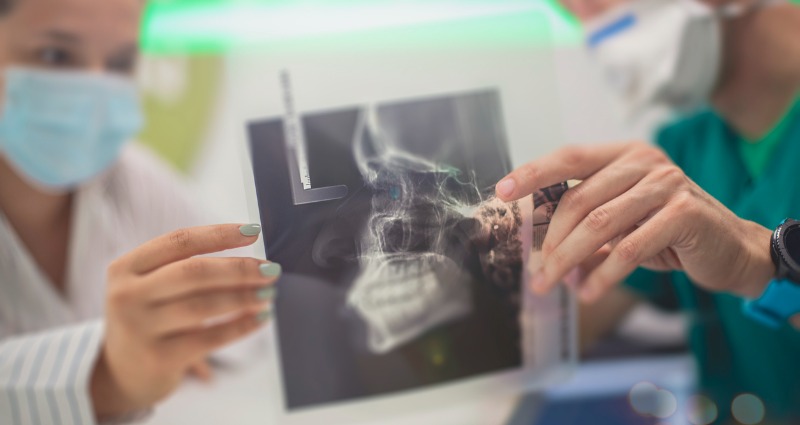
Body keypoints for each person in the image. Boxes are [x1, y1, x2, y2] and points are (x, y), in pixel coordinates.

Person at [495, 0, 800, 423]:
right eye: (573, 11)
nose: (590, 22)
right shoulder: (687, 151)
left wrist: (756, 262)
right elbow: (547, 329)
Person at [0, 0, 282, 423]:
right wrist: (110, 376)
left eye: (120, 61)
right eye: (56, 56)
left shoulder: (130, 181)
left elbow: (251, 327)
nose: (95, 89)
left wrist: (188, 335)